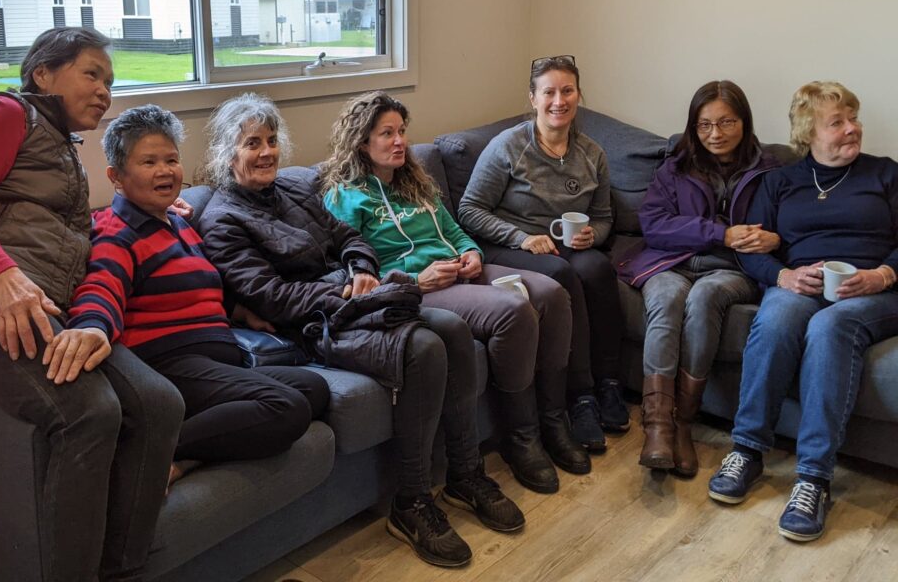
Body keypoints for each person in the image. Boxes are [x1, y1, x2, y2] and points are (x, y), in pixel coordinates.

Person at [197, 93, 524, 569]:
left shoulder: (295, 190)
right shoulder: (222, 219)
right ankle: (410, 501)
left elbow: (350, 237)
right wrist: (346, 292)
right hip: (313, 326)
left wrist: (357, 269)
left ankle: (465, 472)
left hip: (354, 300)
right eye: (252, 143)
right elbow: (270, 297)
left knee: (452, 329)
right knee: (425, 346)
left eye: (270, 141)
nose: (266, 152)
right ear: (229, 153)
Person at [0, 28, 184, 582]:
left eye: (110, 82)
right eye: (92, 73)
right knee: (90, 410)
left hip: (42, 303)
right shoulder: (5, 111)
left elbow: (72, 253)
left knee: (159, 402)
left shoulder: (63, 148)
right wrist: (2, 276)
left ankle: (122, 571)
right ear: (43, 73)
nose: (104, 91)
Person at [320, 91, 584, 490]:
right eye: (386, 134)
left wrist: (472, 252)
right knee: (515, 311)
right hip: (422, 288)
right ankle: (521, 437)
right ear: (361, 141)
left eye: (402, 132)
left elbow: (456, 229)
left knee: (551, 294)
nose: (399, 142)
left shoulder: (416, 181)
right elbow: (353, 267)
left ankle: (553, 420)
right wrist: (414, 278)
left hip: (463, 270)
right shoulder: (344, 197)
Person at [59, 104, 329, 483]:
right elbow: (102, 284)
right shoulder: (116, 230)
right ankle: (152, 452)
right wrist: (92, 325)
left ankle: (189, 459)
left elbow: (201, 285)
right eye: (148, 162)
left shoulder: (177, 223)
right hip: (171, 363)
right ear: (116, 176)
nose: (165, 170)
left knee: (314, 387)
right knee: (287, 407)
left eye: (171, 159)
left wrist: (240, 312)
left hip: (216, 361)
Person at [707, 81, 898, 542]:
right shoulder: (780, 181)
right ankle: (747, 449)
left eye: (853, 118)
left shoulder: (886, 175)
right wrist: (782, 277)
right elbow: (751, 248)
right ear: (808, 133)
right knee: (774, 319)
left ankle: (813, 478)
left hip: (874, 291)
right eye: (838, 122)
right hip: (802, 280)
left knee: (831, 326)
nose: (852, 129)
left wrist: (882, 276)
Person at [458, 54, 629, 454]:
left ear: (579, 95)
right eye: (548, 92)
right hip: (508, 243)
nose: (558, 100)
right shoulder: (509, 146)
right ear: (532, 98)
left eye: (567, 91)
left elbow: (604, 217)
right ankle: (581, 396)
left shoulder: (592, 153)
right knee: (561, 275)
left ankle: (609, 385)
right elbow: (468, 210)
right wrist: (521, 237)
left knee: (598, 269)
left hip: (566, 246)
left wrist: (592, 235)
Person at [615, 81, 779, 477]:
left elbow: (789, 223)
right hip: (668, 261)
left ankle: (684, 423)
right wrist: (718, 233)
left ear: (744, 121)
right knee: (667, 298)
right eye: (704, 125)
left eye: (726, 122)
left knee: (705, 298)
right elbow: (654, 226)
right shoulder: (675, 167)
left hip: (730, 270)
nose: (715, 134)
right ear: (693, 126)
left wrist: (777, 236)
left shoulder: (770, 171)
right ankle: (657, 427)